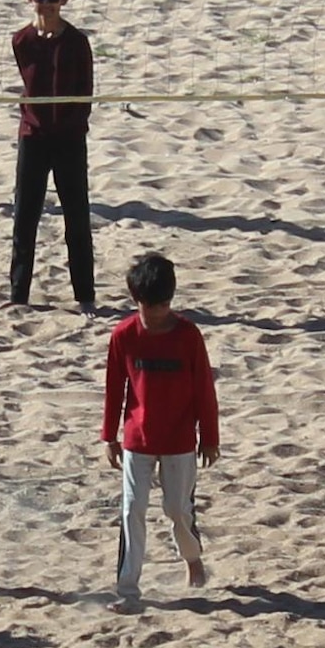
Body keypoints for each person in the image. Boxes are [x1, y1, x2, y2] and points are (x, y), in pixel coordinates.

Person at [100, 249, 219, 614]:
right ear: (137, 301)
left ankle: (192, 556)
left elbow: (204, 389)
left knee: (177, 509)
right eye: (151, 306)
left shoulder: (188, 336)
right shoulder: (124, 335)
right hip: (137, 439)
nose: (157, 313)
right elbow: (115, 387)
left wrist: (209, 437)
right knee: (132, 509)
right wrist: (109, 435)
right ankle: (127, 589)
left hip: (181, 441)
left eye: (163, 305)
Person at [7, 0, 96, 312]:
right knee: (24, 216)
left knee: (77, 217)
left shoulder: (77, 42)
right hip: (34, 136)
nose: (47, 4)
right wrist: (37, 124)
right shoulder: (21, 41)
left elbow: (84, 95)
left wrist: (67, 127)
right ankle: (18, 295)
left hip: (70, 138)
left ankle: (85, 296)